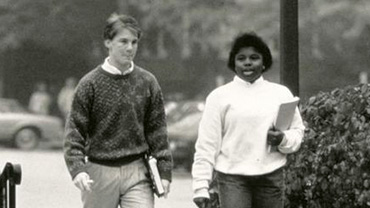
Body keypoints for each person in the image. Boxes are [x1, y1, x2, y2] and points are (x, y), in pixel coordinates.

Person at [63, 14, 172, 208]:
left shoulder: (148, 82)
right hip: (99, 171)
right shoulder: (90, 84)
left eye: (134, 42)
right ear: (108, 42)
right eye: (123, 41)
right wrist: (77, 169)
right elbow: (74, 131)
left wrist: (164, 171)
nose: (130, 48)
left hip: (138, 170)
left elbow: (158, 130)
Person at [191, 32, 305, 208]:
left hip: (271, 176)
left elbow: (297, 132)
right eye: (241, 58)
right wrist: (200, 185)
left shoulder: (280, 94)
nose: (248, 63)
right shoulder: (219, 97)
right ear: (233, 63)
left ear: (264, 62)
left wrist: (282, 139)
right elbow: (207, 144)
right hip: (232, 178)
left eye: (254, 57)